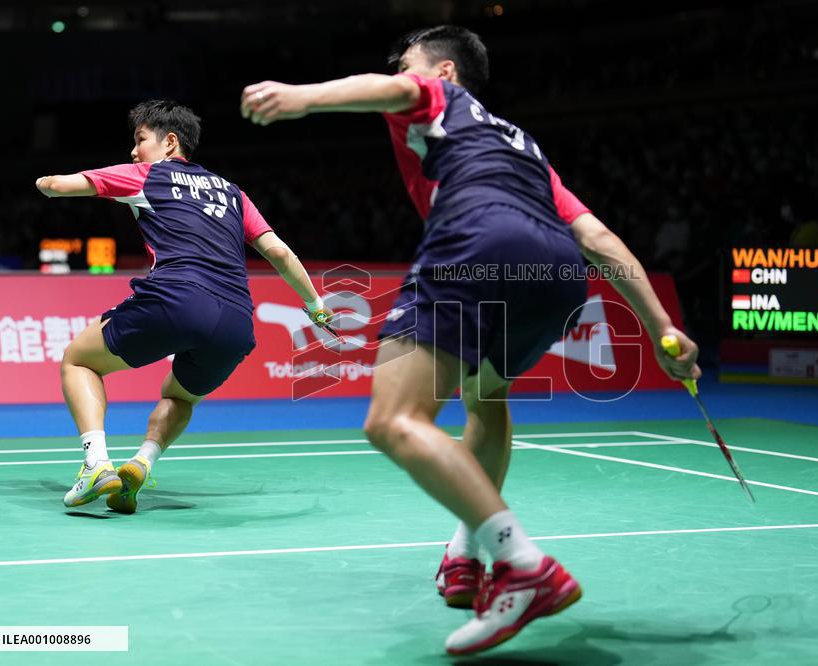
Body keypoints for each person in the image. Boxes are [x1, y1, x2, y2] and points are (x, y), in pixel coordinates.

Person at [240, 25, 700, 655]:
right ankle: (467, 552)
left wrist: (304, 97)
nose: (402, 76)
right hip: (556, 274)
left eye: (411, 66)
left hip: (476, 246)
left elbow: (393, 86)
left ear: (446, 73)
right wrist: (662, 328)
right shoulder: (526, 149)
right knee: (486, 398)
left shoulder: (437, 96)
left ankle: (522, 565)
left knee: (393, 420)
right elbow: (598, 240)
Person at [35, 100, 332, 514]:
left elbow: (61, 186)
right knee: (181, 395)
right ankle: (141, 463)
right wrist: (316, 306)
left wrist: (44, 181)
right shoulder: (233, 193)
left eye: (140, 140)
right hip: (235, 322)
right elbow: (280, 253)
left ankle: (96, 465)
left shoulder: (145, 175)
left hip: (177, 298)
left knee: (78, 361)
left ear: (169, 141)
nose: (134, 151)